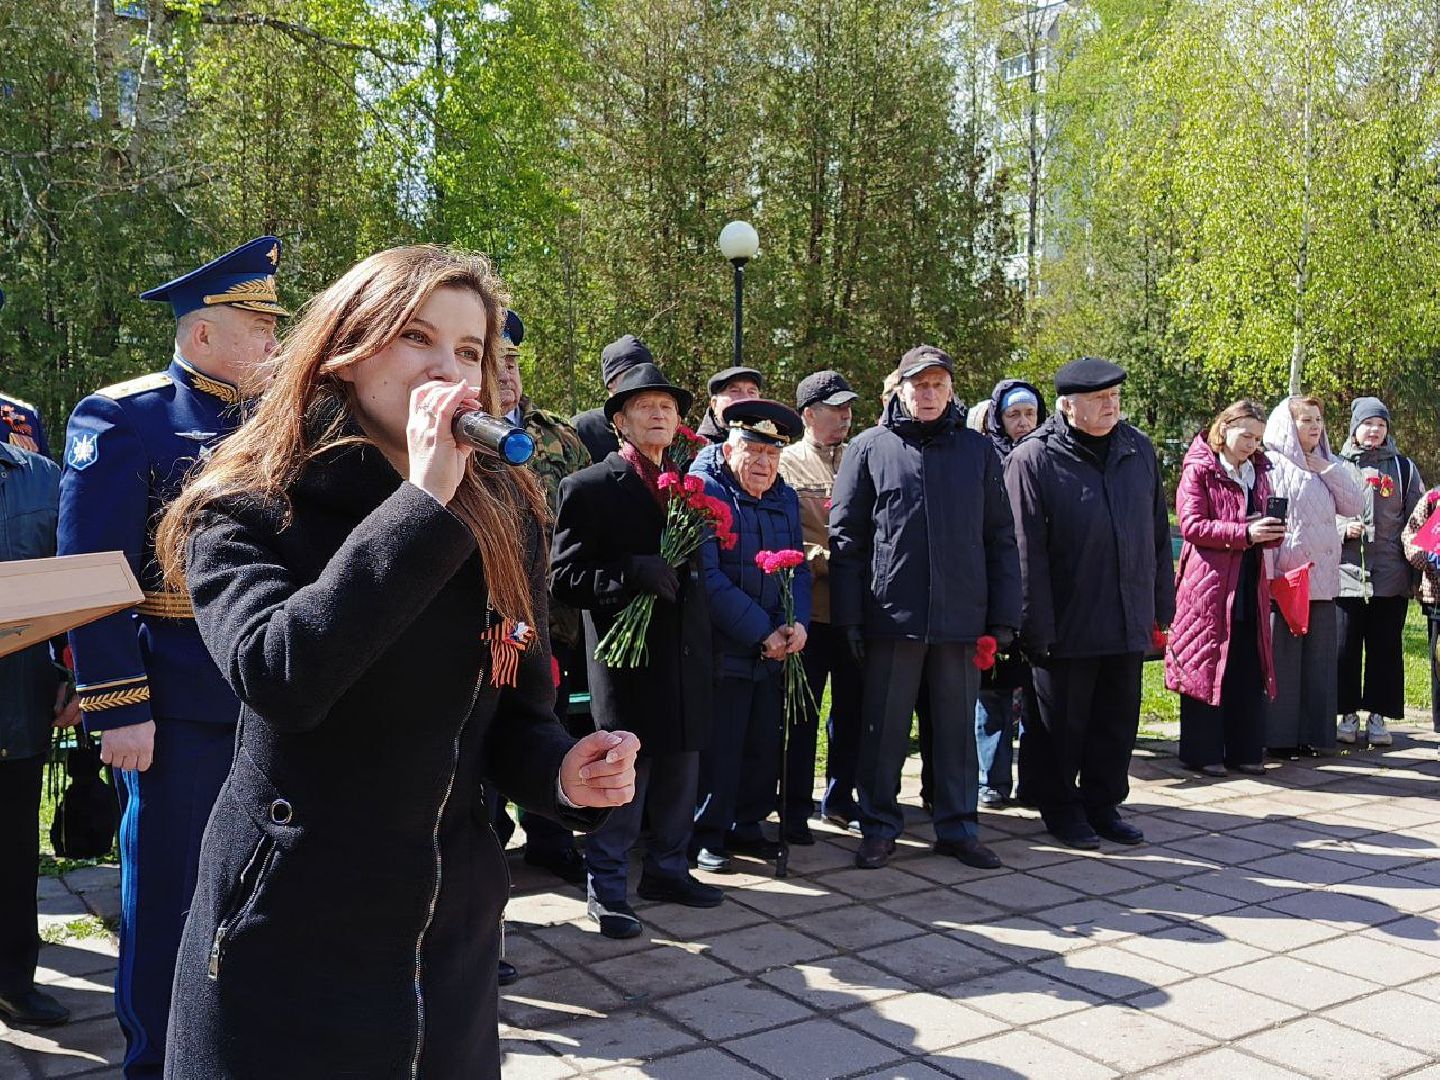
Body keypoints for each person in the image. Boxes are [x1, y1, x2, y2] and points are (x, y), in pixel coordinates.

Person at [154, 245, 637, 1078]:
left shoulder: (502, 510)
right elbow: (282, 677)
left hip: (448, 940)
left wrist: (565, 774)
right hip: (292, 934)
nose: (448, 369)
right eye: (417, 337)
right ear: (345, 350)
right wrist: (421, 504)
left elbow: (517, 713)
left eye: (470, 351)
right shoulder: (246, 505)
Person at [56, 236, 287, 1078]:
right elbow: (90, 576)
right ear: (201, 337)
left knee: (257, 895)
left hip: (266, 693)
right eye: (259, 329)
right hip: (176, 701)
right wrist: (118, 706)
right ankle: (156, 1064)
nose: (274, 345)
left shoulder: (276, 423)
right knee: (169, 904)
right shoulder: (127, 417)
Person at [830, 346, 1020, 871]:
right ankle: (878, 826)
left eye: (938, 384)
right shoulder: (869, 448)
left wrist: (1004, 616)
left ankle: (958, 827)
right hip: (892, 617)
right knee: (884, 730)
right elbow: (847, 540)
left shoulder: (978, 452)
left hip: (961, 619)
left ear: (952, 390)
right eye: (920, 385)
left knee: (956, 730)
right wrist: (849, 618)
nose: (929, 393)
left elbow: (1000, 537)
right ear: (901, 390)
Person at [552, 363, 722, 939]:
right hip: (628, 663)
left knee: (680, 772)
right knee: (624, 777)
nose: (659, 414)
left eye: (668, 407)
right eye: (644, 405)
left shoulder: (688, 488)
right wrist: (628, 573)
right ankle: (608, 889)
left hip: (685, 657)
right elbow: (564, 578)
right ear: (619, 420)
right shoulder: (591, 486)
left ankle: (669, 870)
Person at [1004, 357, 1175, 851]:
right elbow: (1023, 550)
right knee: (1061, 723)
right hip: (1067, 620)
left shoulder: (1136, 448)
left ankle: (1103, 803)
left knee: (1116, 718)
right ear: (1066, 405)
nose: (1111, 407)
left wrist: (1160, 605)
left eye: (1116, 399)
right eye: (1100, 400)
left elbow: (1156, 533)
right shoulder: (1034, 458)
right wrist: (1036, 627)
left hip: (1126, 612)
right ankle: (1060, 806)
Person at [490, 309, 590, 889]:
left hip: (557, 617)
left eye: (513, 363)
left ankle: (552, 838)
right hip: (488, 618)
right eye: (492, 362)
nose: (505, 375)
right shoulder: (453, 431)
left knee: (550, 721)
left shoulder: (558, 437)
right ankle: (488, 847)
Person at [689, 399, 810, 871]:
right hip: (725, 646)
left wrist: (795, 623)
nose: (763, 465)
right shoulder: (705, 488)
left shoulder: (784, 496)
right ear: (730, 445)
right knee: (722, 743)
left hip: (775, 647)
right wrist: (762, 632)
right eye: (753, 451)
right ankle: (708, 832)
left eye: (773, 455)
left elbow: (796, 567)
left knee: (763, 741)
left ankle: (748, 823)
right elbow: (709, 577)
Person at [0, 441, 80, 1028]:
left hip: (16, 706)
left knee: (11, 853)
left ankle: (11, 984)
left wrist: (80, 676)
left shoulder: (41, 478)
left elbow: (74, 587)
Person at [1168, 401, 1281, 777]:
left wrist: (1268, 531)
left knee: (1248, 660)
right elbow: (1193, 526)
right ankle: (1202, 752)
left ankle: (1245, 749)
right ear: (1224, 428)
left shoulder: (1259, 470)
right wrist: (1244, 531)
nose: (1252, 444)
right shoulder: (1200, 468)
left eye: (1258, 438)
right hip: (1208, 582)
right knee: (1206, 658)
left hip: (1249, 576)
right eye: (1246, 435)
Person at [778, 370, 862, 833]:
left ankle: (842, 798)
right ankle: (793, 808)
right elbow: (786, 533)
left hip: (853, 612)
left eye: (849, 407)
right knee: (801, 717)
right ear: (809, 414)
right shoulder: (787, 464)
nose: (846, 415)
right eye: (836, 407)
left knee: (852, 711)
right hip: (807, 611)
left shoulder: (860, 457)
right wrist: (826, 557)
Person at [1262, 396, 1363, 756]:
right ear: (1288, 425)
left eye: (1318, 420)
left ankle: (1314, 736)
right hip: (1288, 580)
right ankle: (1280, 738)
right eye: (1307, 420)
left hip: (1322, 582)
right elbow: (1271, 524)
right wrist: (1271, 576)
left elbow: (1355, 505)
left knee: (1319, 665)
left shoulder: (1327, 462)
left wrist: (1327, 467)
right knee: (1286, 665)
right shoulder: (1271, 465)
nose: (1315, 427)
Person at [973, 380, 1046, 808]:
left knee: (1038, 694)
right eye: (1014, 415)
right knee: (993, 693)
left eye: (1030, 415)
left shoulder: (1049, 460)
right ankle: (992, 780)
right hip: (996, 593)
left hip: (1038, 597)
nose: (1022, 423)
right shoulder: (987, 459)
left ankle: (1034, 781)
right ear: (998, 419)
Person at [1336, 397, 1423, 748]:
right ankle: (1346, 714)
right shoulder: (1335, 465)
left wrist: (1415, 569)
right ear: (1355, 428)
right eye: (1368, 424)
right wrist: (1343, 526)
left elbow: (1418, 519)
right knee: (1344, 647)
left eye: (1381, 425)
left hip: (1390, 575)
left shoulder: (1403, 468)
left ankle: (1378, 715)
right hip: (1345, 572)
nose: (1374, 430)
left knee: (1385, 648)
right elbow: (1318, 511)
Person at [572, 335, 654, 463]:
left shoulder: (661, 426)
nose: (640, 382)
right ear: (611, 384)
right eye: (632, 376)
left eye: (647, 376)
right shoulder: (581, 430)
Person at [1402, 483, 1440, 736]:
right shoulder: (1433, 499)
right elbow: (1410, 536)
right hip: (1437, 594)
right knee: (1439, 660)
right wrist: (1427, 559)